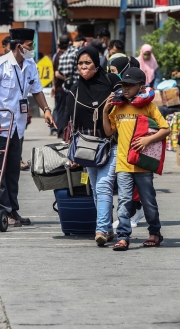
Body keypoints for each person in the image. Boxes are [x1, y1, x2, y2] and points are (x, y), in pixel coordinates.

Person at [0, 28, 56, 226]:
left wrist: (46, 110)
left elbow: (37, 90)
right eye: (30, 46)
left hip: (17, 126)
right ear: (19, 46)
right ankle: (2, 211)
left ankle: (13, 211)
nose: (32, 49)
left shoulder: (30, 65)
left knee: (13, 170)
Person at [103, 67, 170, 251]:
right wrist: (105, 111)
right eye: (123, 85)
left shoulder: (148, 106)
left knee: (148, 200)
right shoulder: (118, 106)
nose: (125, 89)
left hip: (142, 164)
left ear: (140, 87)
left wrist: (148, 139)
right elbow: (109, 131)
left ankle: (154, 233)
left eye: (130, 86)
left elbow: (165, 129)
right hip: (123, 163)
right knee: (124, 201)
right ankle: (123, 237)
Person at [66, 46, 120, 246]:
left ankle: (100, 230)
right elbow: (72, 124)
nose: (83, 67)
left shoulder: (112, 83)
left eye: (87, 63)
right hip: (88, 147)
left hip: (111, 143)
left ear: (97, 65)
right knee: (97, 190)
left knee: (103, 185)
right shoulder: (75, 90)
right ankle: (107, 229)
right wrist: (71, 153)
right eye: (80, 63)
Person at [52, 34, 70, 138]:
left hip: (58, 87)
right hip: (63, 88)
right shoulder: (64, 56)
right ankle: (61, 132)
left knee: (59, 109)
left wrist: (53, 86)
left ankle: (59, 131)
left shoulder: (56, 55)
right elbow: (57, 73)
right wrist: (67, 79)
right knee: (63, 111)